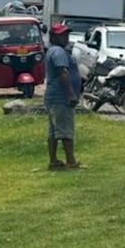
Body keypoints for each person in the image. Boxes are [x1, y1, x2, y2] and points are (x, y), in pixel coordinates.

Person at [44, 23, 82, 170]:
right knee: (66, 130)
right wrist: (71, 94)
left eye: (66, 34)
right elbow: (63, 72)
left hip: (54, 97)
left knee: (54, 131)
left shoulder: (56, 51)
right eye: (62, 35)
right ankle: (71, 161)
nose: (65, 37)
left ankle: (54, 161)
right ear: (53, 37)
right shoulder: (58, 52)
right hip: (61, 97)